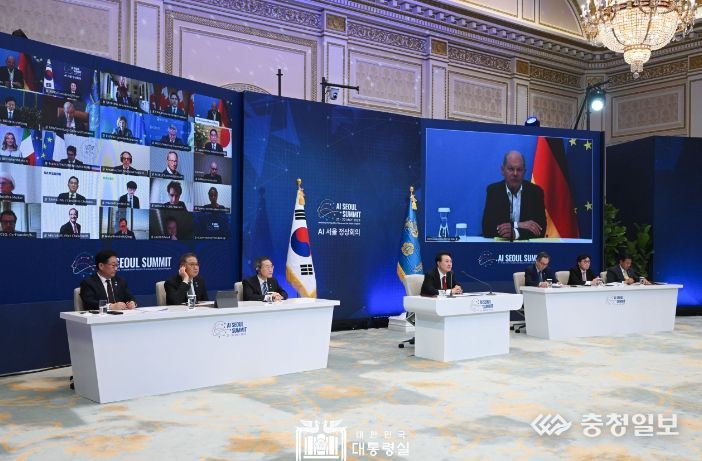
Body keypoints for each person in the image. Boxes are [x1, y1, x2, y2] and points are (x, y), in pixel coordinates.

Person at [481, 151, 546, 240]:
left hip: (527, 247)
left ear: (524, 172)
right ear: (502, 170)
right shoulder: (494, 191)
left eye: (519, 169)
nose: (515, 173)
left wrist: (515, 233)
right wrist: (518, 224)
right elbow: (487, 229)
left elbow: (540, 230)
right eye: (511, 169)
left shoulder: (535, 192)